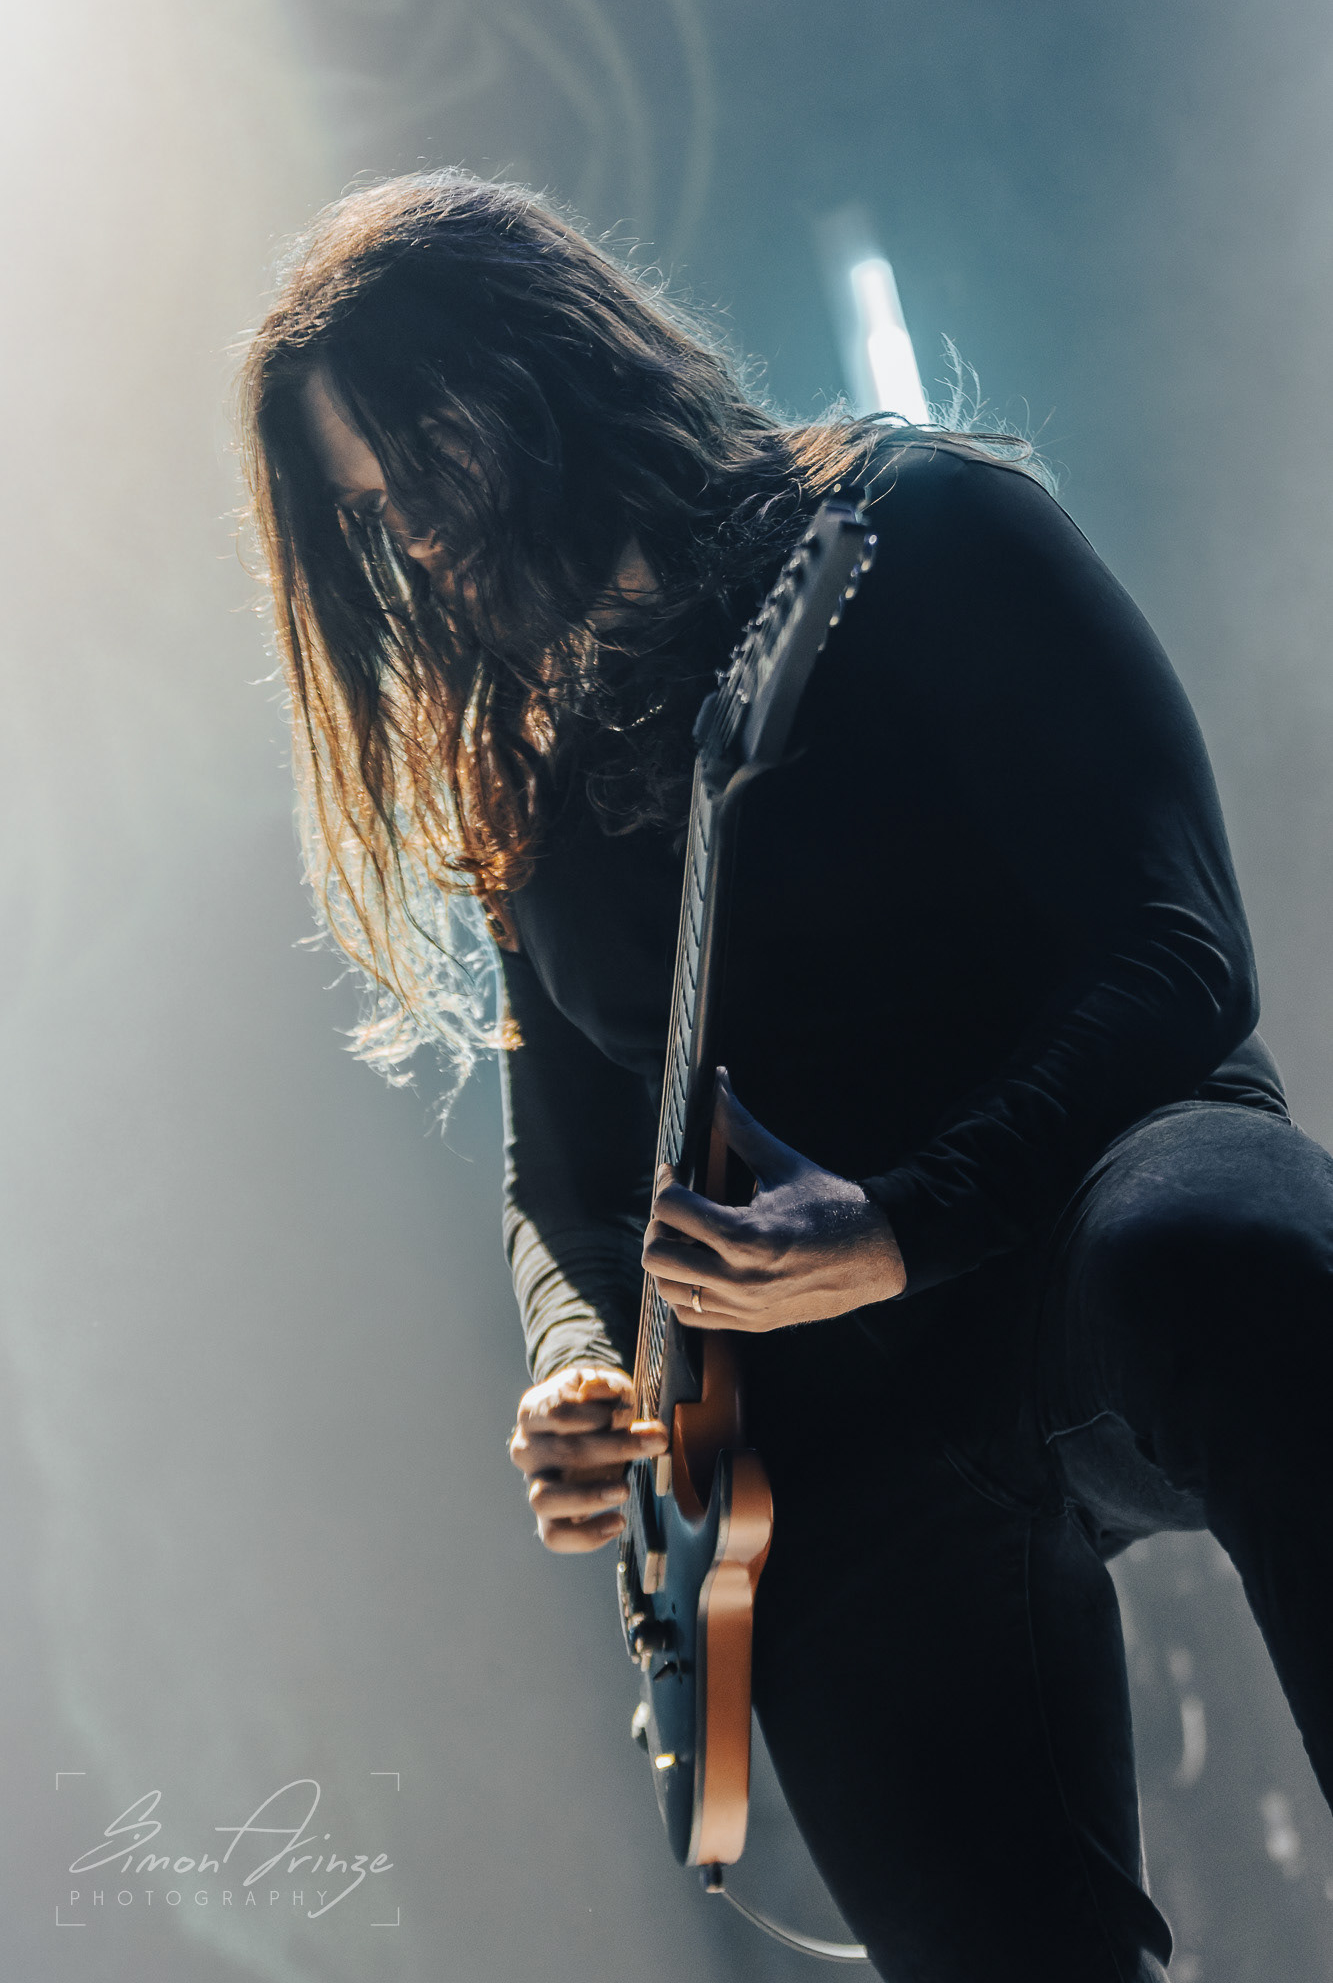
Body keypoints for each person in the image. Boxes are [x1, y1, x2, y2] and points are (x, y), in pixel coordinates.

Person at [239, 170, 1333, 1983]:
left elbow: (1177, 949)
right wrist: (580, 1364)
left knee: (1233, 1264)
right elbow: (565, 1176)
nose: (413, 538)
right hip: (822, 1413)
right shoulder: (531, 765)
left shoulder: (922, 533)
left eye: (423, 459)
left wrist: (910, 1219)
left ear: (546, 371)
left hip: (1085, 1206)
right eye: (366, 514)